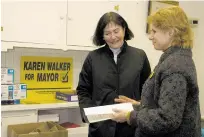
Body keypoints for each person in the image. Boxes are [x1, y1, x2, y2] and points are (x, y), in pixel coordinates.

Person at [111, 6, 201, 137]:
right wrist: (138, 105)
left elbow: (167, 119)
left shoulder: (174, 68)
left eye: (154, 31)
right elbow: (167, 104)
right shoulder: (173, 60)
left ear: (171, 32)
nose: (150, 36)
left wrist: (130, 116)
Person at [76, 11, 151, 137]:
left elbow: (149, 92)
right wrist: (88, 114)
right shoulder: (93, 58)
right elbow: (83, 90)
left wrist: (138, 111)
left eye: (116, 31)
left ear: (124, 29)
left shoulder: (140, 56)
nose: (113, 37)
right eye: (107, 33)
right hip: (100, 129)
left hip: (130, 128)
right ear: (102, 36)